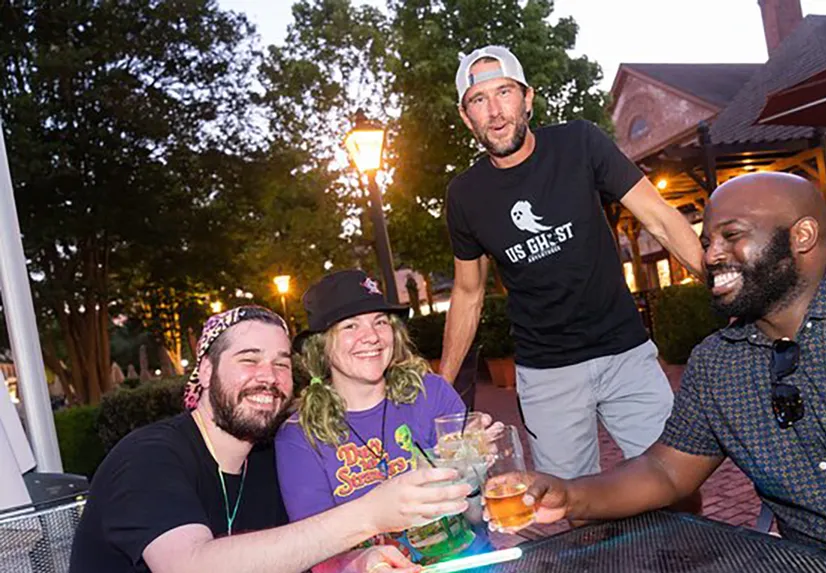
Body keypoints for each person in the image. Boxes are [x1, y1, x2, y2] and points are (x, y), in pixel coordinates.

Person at [519, 171, 826, 571]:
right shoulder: (718, 364)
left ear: (802, 237)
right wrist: (569, 494)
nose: (709, 256)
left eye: (732, 236)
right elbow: (665, 470)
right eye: (707, 241)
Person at [441, 45, 704, 480]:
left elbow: (658, 218)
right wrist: (444, 390)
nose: (495, 111)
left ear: (528, 98)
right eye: (479, 100)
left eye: (504, 92)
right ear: (466, 117)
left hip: (626, 354)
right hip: (546, 375)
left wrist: (725, 288)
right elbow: (468, 294)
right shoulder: (465, 196)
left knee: (678, 483)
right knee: (573, 507)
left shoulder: (581, 142)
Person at [70, 305, 472, 573]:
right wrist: (371, 514)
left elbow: (297, 549)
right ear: (206, 372)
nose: (268, 375)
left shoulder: (265, 458)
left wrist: (359, 561)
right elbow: (189, 565)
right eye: (248, 359)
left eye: (280, 363)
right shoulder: (148, 457)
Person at [275, 270, 500, 571]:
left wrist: (473, 469)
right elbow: (316, 554)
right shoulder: (300, 437)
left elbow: (477, 518)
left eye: (380, 322)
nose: (371, 336)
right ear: (321, 346)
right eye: (350, 325)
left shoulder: (430, 394)